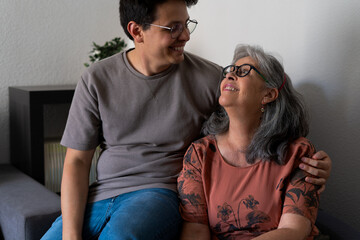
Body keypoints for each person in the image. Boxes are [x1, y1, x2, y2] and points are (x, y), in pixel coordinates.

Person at [42, 1, 331, 239]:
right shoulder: (96, 79)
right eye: (173, 28)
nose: (186, 36)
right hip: (100, 195)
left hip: (157, 194)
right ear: (137, 31)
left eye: (187, 24)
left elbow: (255, 114)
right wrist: (70, 234)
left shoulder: (210, 79)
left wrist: (318, 164)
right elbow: (77, 162)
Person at [178, 44, 324, 240]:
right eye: (230, 71)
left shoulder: (298, 153)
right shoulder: (200, 154)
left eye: (244, 71)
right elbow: (195, 230)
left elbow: (294, 231)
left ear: (268, 94)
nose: (230, 75)